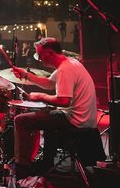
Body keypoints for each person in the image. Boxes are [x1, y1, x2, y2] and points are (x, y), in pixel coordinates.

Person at [8, 38, 98, 172]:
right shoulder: (71, 63)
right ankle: (46, 163)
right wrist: (26, 74)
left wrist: (40, 96)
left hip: (75, 120)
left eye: (40, 54)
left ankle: (22, 166)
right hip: (85, 118)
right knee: (48, 116)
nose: (39, 59)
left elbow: (63, 101)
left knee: (21, 120)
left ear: (50, 53)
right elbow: (49, 83)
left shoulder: (65, 70)